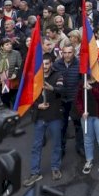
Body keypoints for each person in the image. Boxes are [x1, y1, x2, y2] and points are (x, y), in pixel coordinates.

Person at [24, 54, 65, 187]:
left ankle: (55, 168)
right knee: (36, 146)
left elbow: (62, 90)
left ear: (51, 63)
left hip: (54, 116)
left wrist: (51, 88)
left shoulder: (58, 75)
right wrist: (37, 106)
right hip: (40, 116)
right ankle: (35, 172)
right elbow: (29, 97)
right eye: (43, 64)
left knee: (56, 144)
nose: (45, 67)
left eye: (47, 64)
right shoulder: (35, 77)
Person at [77, 71, 99, 176]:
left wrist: (92, 90)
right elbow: (78, 99)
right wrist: (82, 111)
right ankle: (89, 160)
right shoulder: (82, 82)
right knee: (87, 139)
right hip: (87, 116)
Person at [0, 38, 21, 108]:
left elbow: (20, 66)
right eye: (7, 44)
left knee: (15, 101)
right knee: (5, 102)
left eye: (10, 44)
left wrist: (15, 73)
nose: (10, 46)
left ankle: (15, 115)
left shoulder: (16, 53)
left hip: (13, 82)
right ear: (2, 46)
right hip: (1, 83)